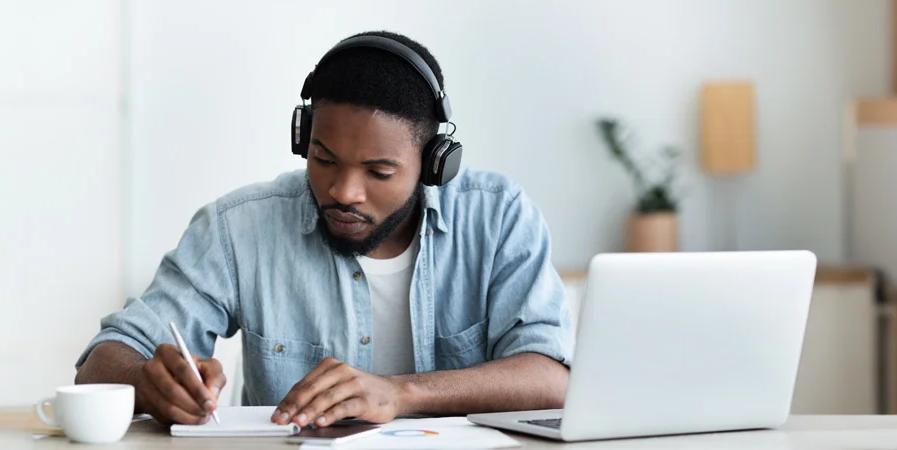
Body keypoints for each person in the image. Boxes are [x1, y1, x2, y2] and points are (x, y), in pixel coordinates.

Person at [74, 30, 571, 429]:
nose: (343, 191)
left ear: (433, 164)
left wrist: (400, 393)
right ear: (303, 138)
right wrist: (148, 380)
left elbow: (550, 378)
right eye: (324, 158)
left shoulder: (499, 217)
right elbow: (101, 362)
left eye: (378, 172)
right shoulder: (239, 227)